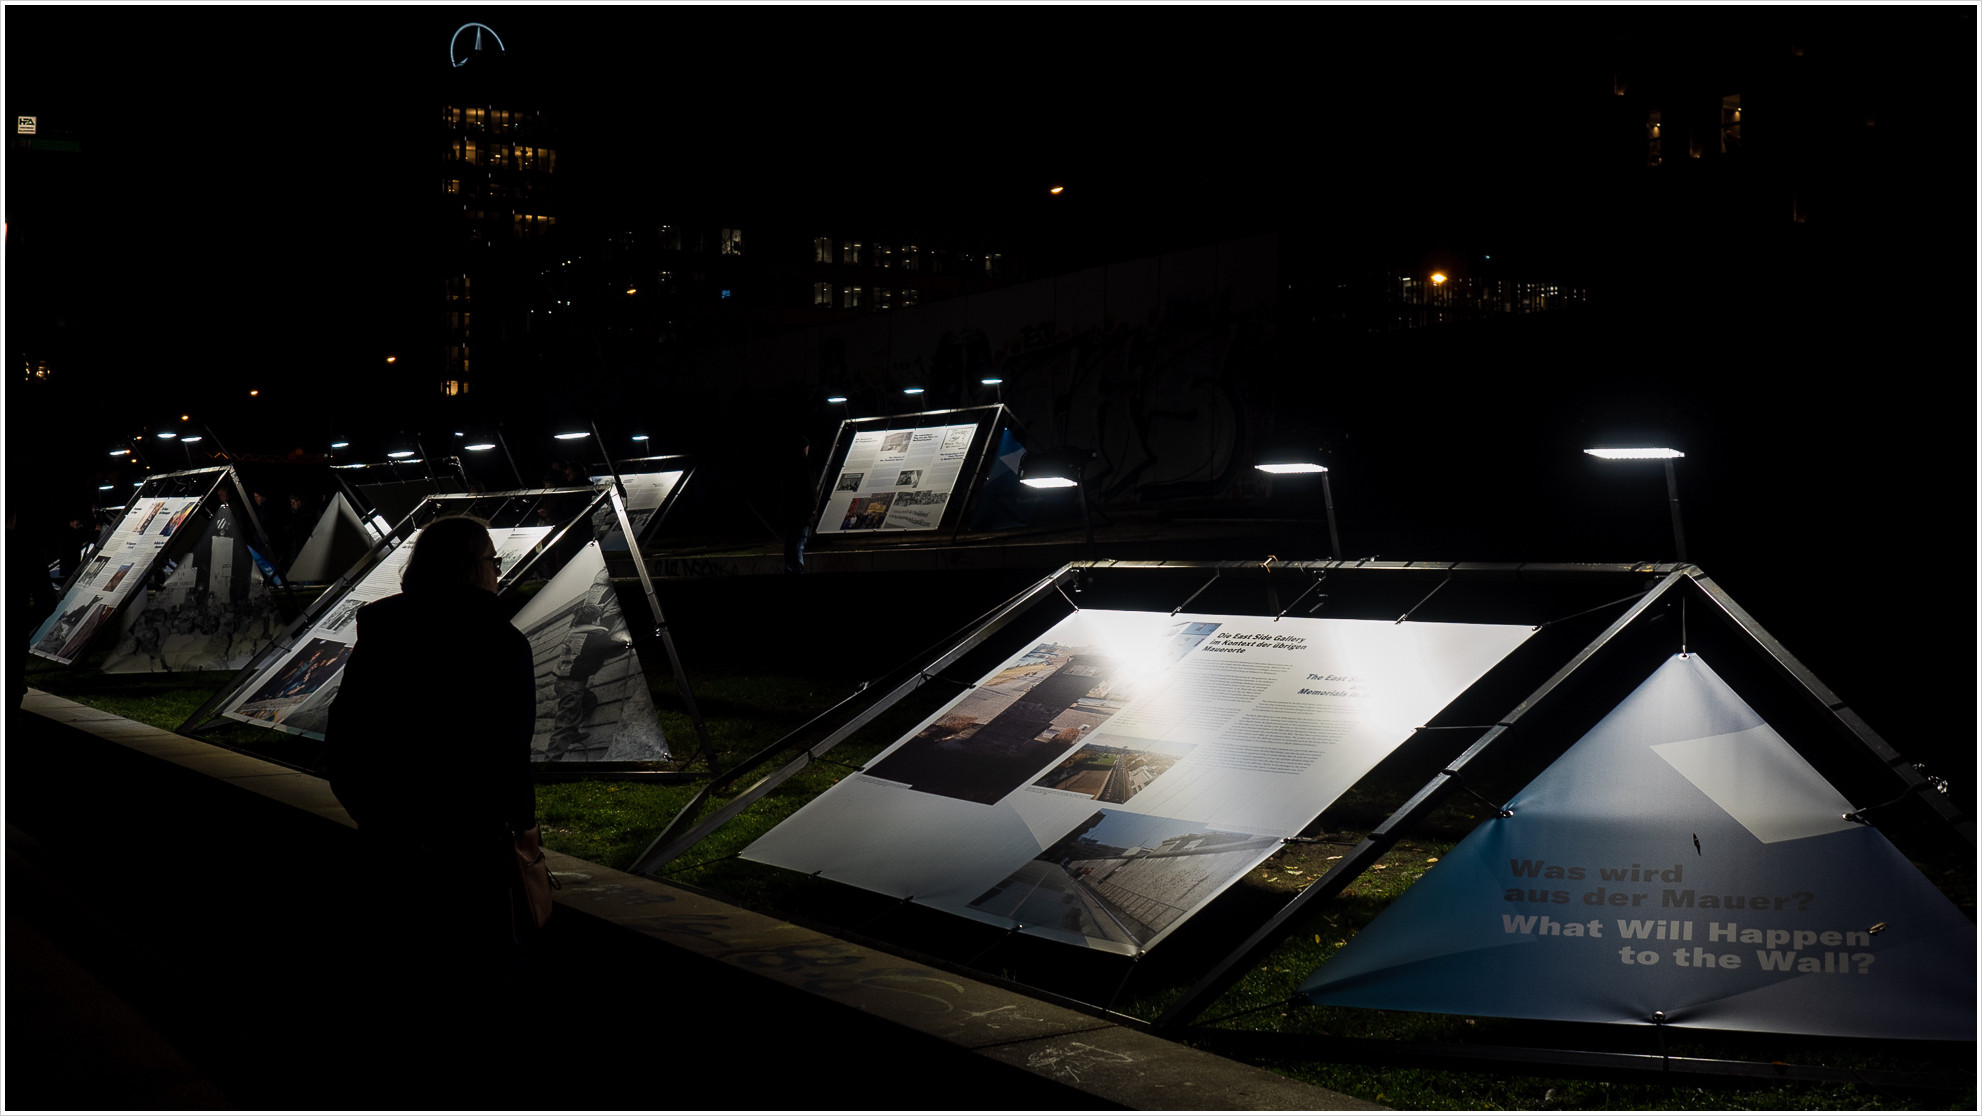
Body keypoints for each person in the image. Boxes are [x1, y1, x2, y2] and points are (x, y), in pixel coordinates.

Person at [321, 515, 539, 1071]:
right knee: (480, 982)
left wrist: (379, 819)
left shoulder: (384, 631)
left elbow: (346, 740)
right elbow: (508, 753)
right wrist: (521, 829)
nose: (497, 570)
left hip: (394, 835)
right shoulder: (501, 642)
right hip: (472, 843)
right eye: (492, 560)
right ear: (471, 568)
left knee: (402, 975)